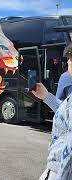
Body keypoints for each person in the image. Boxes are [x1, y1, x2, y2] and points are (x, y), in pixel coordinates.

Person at [33, 48, 72, 180]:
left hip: (59, 170)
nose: (68, 65)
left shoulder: (65, 78)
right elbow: (66, 113)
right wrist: (46, 96)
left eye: (69, 60)